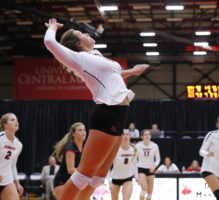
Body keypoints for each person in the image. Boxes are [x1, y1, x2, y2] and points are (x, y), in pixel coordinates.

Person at [44, 18, 148, 200]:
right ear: (78, 43)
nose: (87, 34)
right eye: (82, 34)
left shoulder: (96, 55)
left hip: (119, 114)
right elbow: (49, 42)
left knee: (99, 176)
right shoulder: (79, 58)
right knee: (84, 173)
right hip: (107, 113)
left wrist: (132, 71)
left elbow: (113, 75)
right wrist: (53, 27)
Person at [52, 122, 86, 199]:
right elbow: (70, 170)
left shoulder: (84, 148)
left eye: (84, 130)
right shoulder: (70, 148)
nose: (83, 132)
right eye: (80, 130)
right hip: (62, 182)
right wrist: (85, 173)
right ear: (73, 134)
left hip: (74, 182)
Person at [108, 130, 138, 200]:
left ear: (130, 137)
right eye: (123, 134)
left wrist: (136, 176)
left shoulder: (134, 149)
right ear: (120, 137)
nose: (125, 136)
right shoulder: (114, 148)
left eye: (127, 134)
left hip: (128, 178)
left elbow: (134, 163)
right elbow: (108, 166)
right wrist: (109, 182)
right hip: (115, 178)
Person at [0, 113, 23, 200]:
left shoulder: (18, 144)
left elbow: (13, 165)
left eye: (16, 120)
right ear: (5, 125)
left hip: (7, 180)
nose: (16, 122)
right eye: (12, 120)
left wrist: (17, 183)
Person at [136, 130, 161, 200]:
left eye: (149, 134)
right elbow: (134, 159)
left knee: (150, 193)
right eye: (145, 135)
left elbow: (158, 159)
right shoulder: (138, 145)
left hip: (151, 169)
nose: (147, 136)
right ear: (142, 136)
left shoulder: (155, 145)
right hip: (141, 168)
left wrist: (154, 165)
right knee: (144, 188)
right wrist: (135, 173)